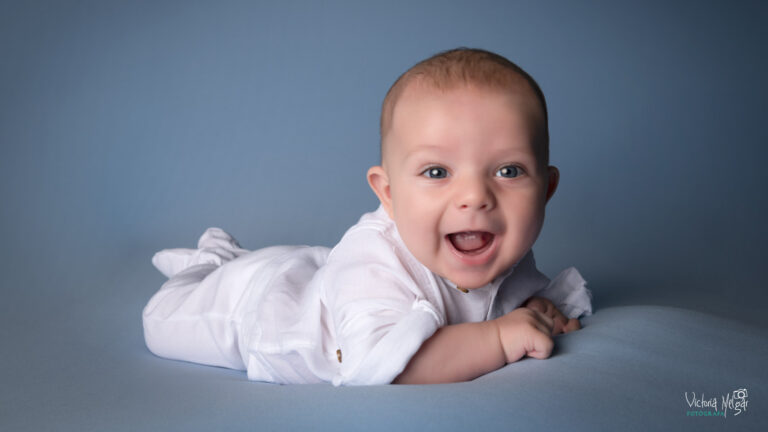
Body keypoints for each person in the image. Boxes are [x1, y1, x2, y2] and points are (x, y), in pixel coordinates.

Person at [142, 48, 592, 385]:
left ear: (545, 190)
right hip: (259, 305)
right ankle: (208, 264)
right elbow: (387, 366)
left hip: (323, 273)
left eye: (508, 171)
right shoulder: (371, 260)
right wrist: (499, 339)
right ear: (389, 194)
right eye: (437, 172)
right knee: (160, 322)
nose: (475, 197)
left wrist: (530, 308)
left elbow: (492, 302)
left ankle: (224, 260)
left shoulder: (498, 242)